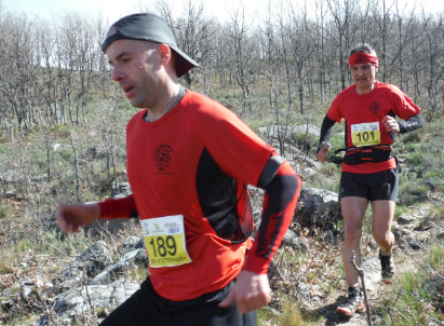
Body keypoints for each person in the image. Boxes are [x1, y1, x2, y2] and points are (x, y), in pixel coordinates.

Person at [55, 13, 301, 326]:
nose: (115, 74)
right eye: (111, 64)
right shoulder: (135, 127)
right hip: (160, 291)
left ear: (163, 54)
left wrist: (256, 268)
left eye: (126, 59)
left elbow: (286, 181)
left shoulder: (204, 116)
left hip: (217, 296)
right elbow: (161, 198)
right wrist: (98, 211)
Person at [316, 43, 424, 317]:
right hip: (353, 171)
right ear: (350, 70)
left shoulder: (390, 93)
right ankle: (353, 294)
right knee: (351, 231)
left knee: (381, 235)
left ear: (375, 67)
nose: (360, 73)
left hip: (383, 170)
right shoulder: (345, 97)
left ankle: (386, 254)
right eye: (355, 68)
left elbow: (418, 118)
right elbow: (328, 121)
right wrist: (323, 144)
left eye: (366, 67)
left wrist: (402, 126)